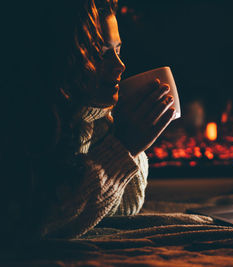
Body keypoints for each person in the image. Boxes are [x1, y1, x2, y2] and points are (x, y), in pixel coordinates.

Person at [1, 0, 175, 244]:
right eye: (101, 54)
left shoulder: (97, 122)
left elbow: (127, 207)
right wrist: (123, 146)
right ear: (64, 57)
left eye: (118, 50)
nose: (120, 65)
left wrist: (129, 143)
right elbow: (37, 220)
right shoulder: (29, 124)